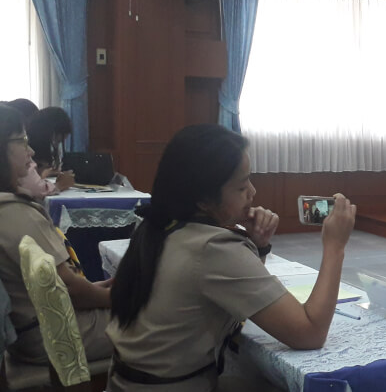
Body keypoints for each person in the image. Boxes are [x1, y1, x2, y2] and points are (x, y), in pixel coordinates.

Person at [106, 124, 356, 391]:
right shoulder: (214, 248)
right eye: (241, 186)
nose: (253, 192)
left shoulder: (160, 226)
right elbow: (310, 332)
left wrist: (258, 246)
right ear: (204, 200)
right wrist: (335, 247)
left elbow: (239, 294)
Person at [0, 103, 113, 364]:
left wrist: (94, 288)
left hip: (32, 331)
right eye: (22, 141)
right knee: (159, 317)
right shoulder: (16, 213)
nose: (30, 151)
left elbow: (59, 286)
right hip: (59, 333)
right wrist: (118, 298)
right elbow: (72, 290)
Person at [26, 106, 74, 184]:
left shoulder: (45, 152)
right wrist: (42, 176)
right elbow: (30, 184)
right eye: (56, 141)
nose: (56, 145)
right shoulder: (27, 153)